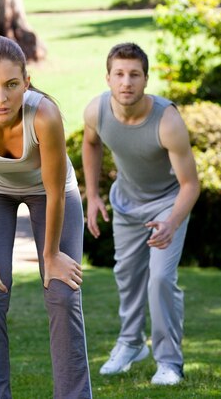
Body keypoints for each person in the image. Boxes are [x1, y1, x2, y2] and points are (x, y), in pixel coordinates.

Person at [0, 35, 92, 399]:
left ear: (26, 82)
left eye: (11, 85)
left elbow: (56, 191)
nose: (1, 97)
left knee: (61, 292)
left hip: (49, 192)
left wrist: (52, 255)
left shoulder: (44, 115)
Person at [82, 42, 199, 386]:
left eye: (134, 74)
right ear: (108, 78)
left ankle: (169, 362)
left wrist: (172, 222)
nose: (126, 82)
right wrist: (91, 195)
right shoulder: (96, 111)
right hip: (126, 203)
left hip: (168, 203)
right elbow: (91, 143)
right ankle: (131, 344)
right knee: (127, 276)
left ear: (146, 79)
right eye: (119, 74)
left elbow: (191, 184)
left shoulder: (167, 121)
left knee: (160, 280)